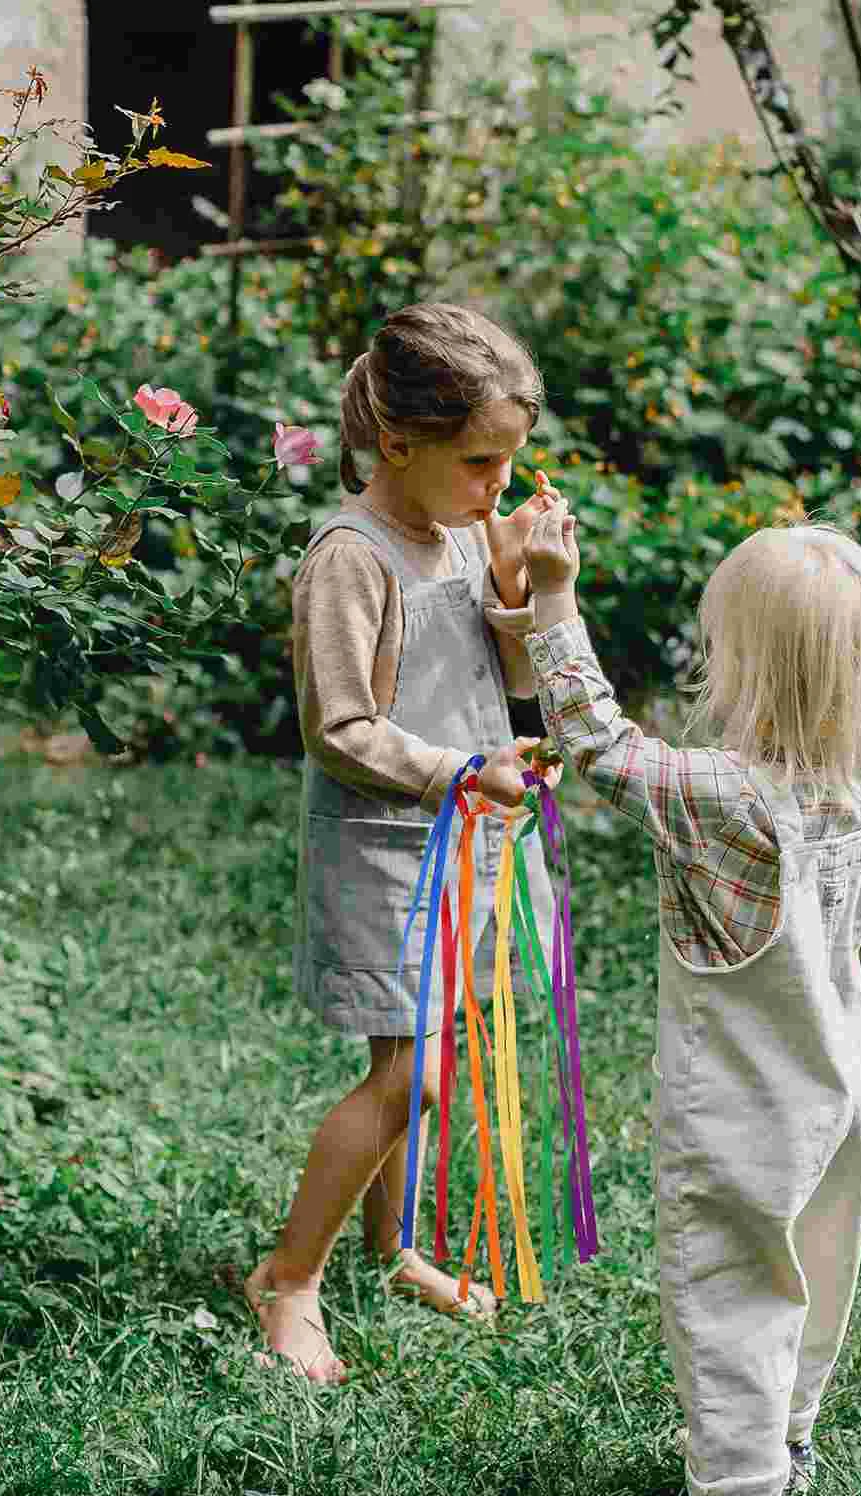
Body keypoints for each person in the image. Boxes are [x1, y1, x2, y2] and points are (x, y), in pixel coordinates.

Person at [518, 511, 861, 1496]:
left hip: (741, 1109)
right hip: (837, 1093)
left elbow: (598, 743)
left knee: (731, 1286)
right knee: (816, 1268)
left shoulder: (719, 793)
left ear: (742, 663)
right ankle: (784, 1443)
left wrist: (552, 599)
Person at [246, 303, 577, 1384]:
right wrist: (457, 769)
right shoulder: (351, 557)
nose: (498, 488)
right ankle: (289, 1278)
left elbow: (507, 685)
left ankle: (390, 1251)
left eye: (509, 462)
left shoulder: (466, 533)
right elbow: (337, 729)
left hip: (472, 838)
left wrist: (529, 593)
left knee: (420, 1051)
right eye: (482, 462)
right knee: (415, 1075)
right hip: (391, 848)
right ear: (399, 444)